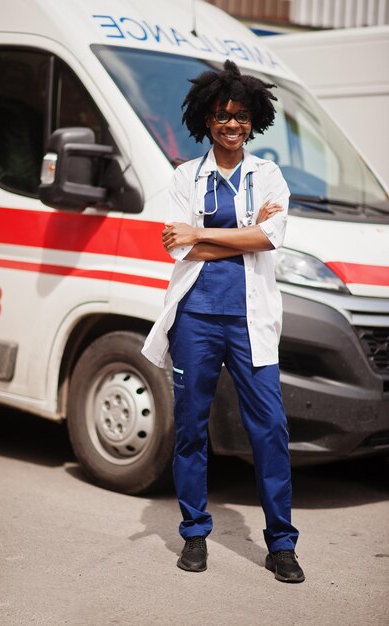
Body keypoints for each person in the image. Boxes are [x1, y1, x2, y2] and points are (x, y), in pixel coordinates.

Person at [142, 60, 304, 583]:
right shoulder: (185, 177)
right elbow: (176, 247)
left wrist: (203, 236)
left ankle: (281, 543)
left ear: (252, 121)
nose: (231, 125)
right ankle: (194, 534)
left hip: (250, 319)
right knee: (190, 427)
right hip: (195, 319)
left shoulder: (269, 175)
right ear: (205, 122)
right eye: (221, 117)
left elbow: (269, 238)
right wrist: (235, 235)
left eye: (239, 117)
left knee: (271, 431)